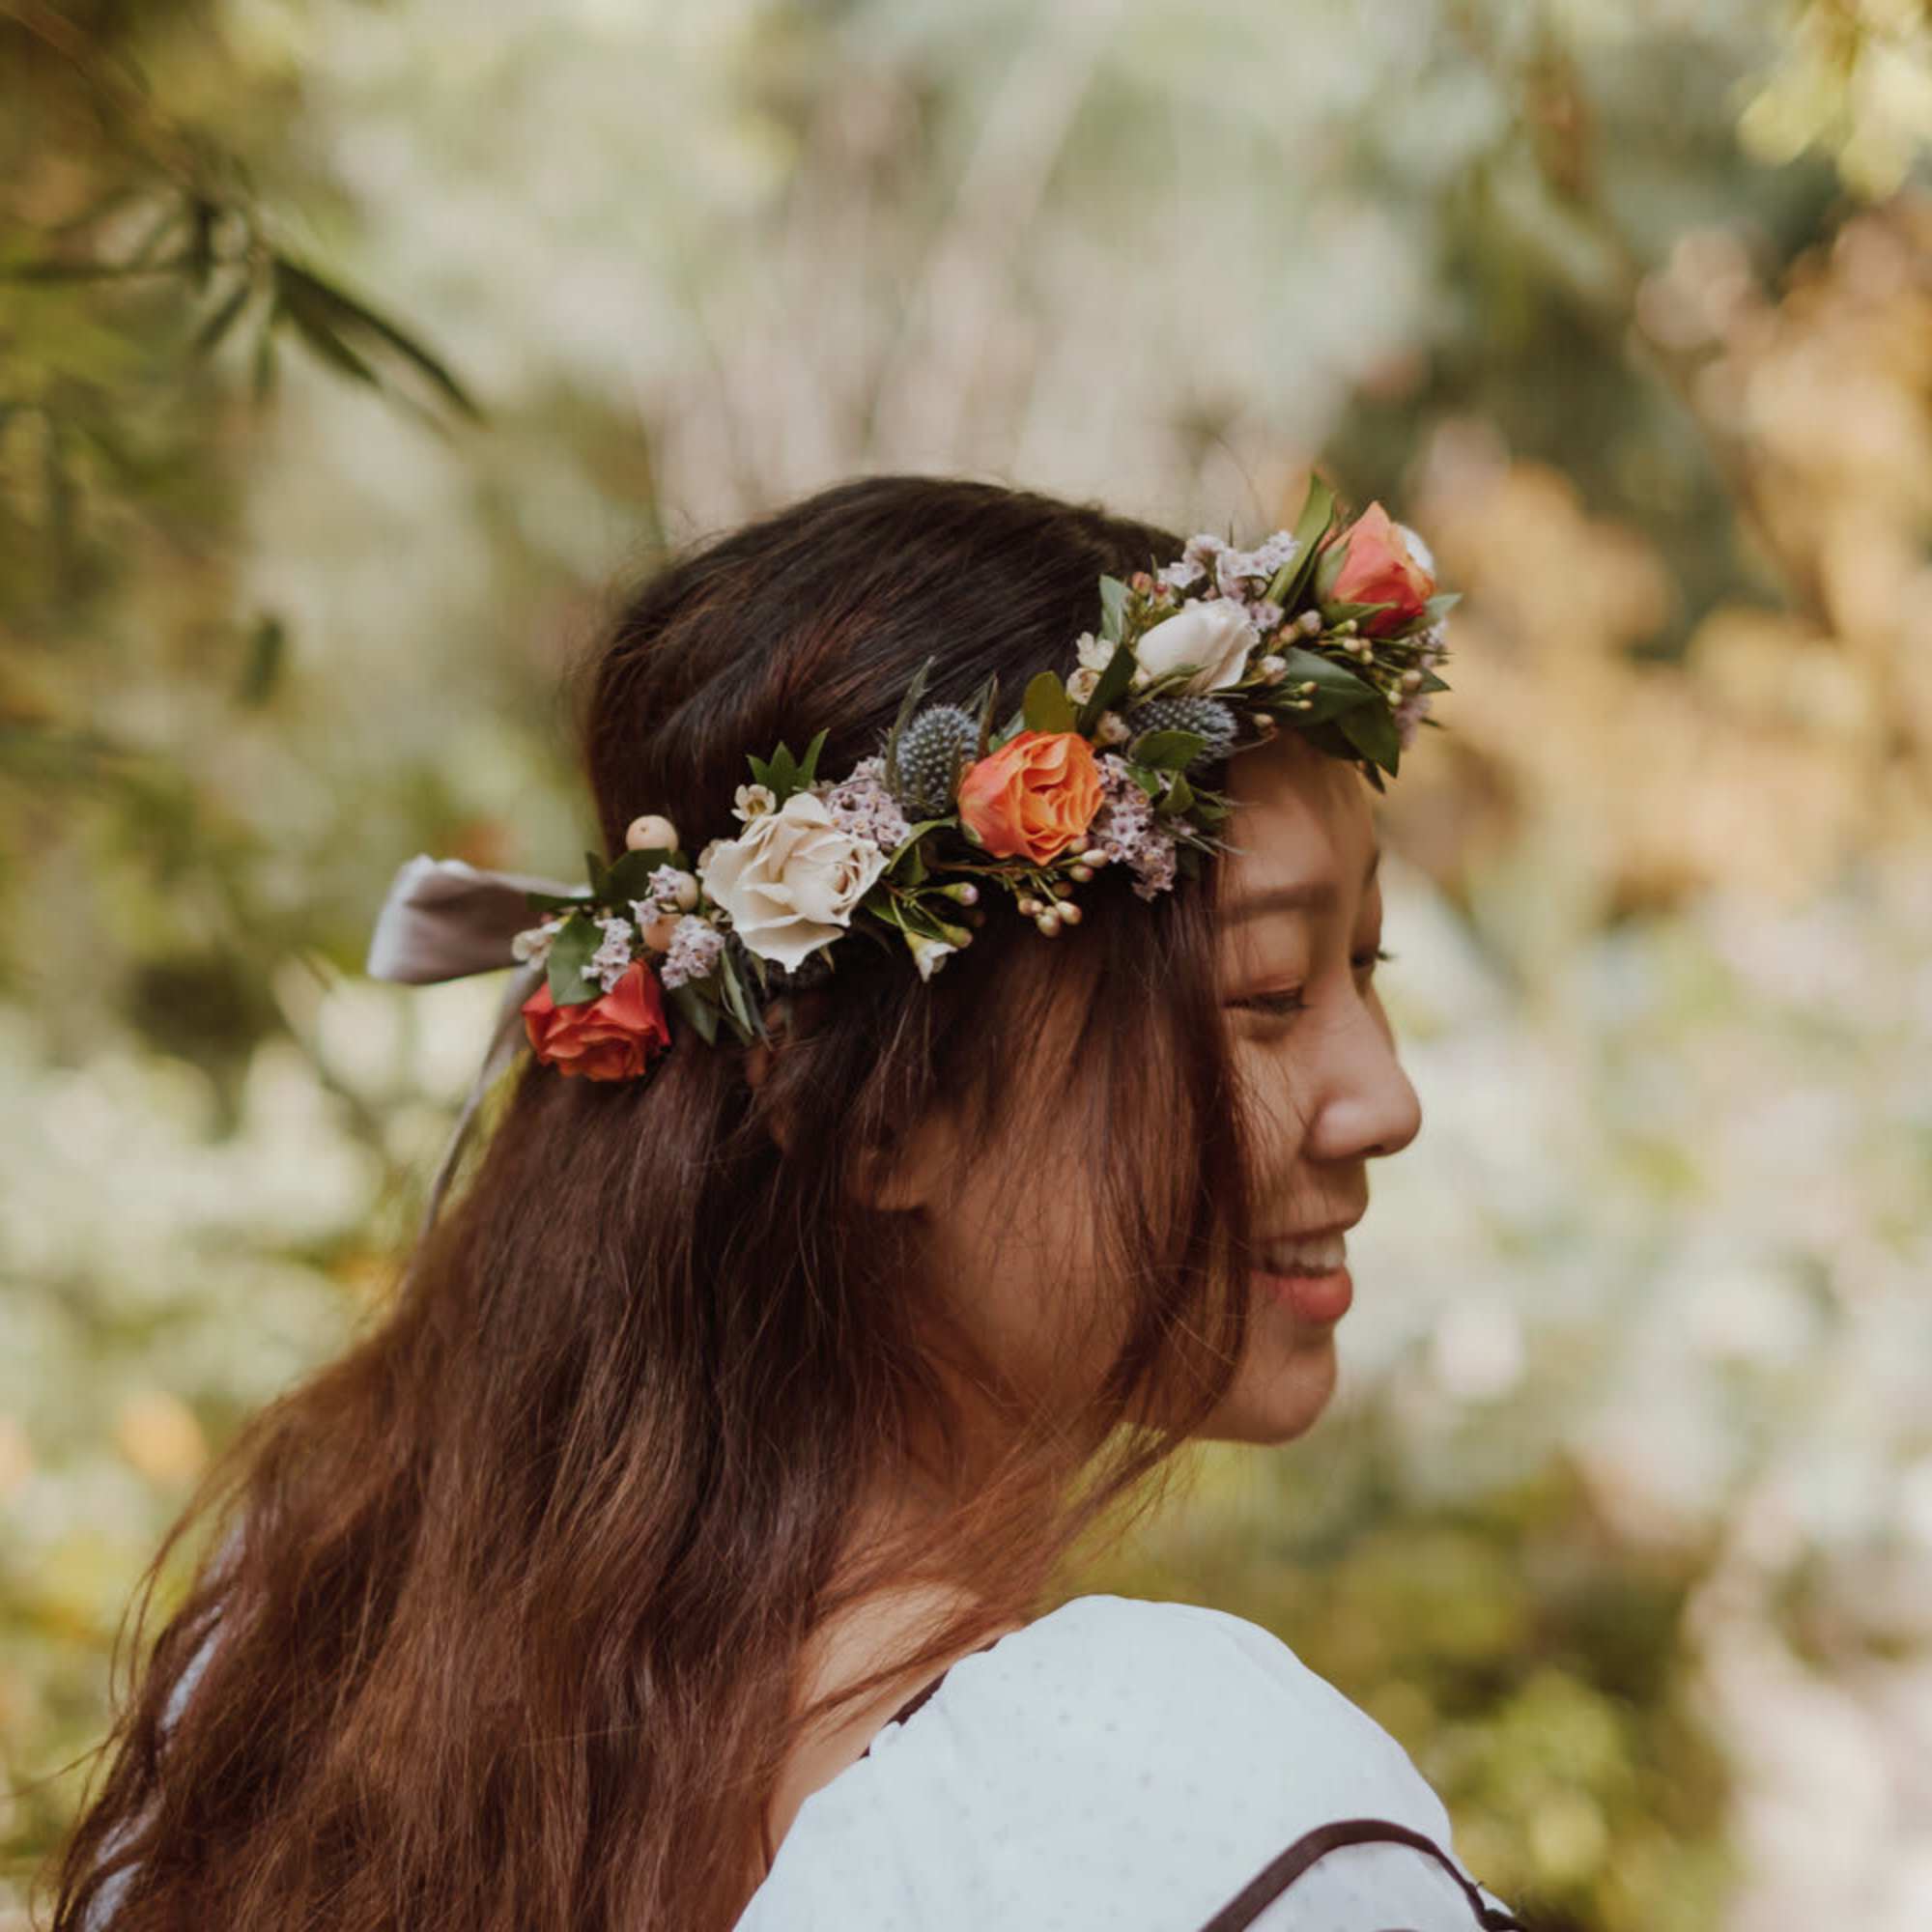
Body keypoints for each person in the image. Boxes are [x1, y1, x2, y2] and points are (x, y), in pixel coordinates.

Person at [48, 473, 1522, 1931]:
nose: (1385, 1099)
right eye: (1265, 994)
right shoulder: (1152, 1819)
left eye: (1367, 967)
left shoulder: (304, 1668)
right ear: (869, 1113)